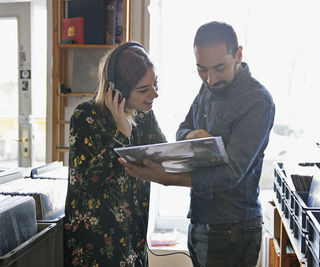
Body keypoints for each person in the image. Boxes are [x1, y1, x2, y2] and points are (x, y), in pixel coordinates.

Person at [119, 21, 275, 267]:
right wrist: (193, 136)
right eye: (202, 69)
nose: (211, 79)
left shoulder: (258, 101)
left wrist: (167, 178)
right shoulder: (207, 87)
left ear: (239, 54)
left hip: (233, 229)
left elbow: (231, 173)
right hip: (200, 221)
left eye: (219, 68)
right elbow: (182, 130)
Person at [63, 42, 166, 267]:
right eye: (144, 89)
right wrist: (121, 133)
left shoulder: (144, 115)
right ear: (118, 89)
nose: (154, 94)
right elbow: (87, 180)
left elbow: (162, 155)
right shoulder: (85, 116)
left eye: (155, 84)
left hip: (133, 241)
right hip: (94, 247)